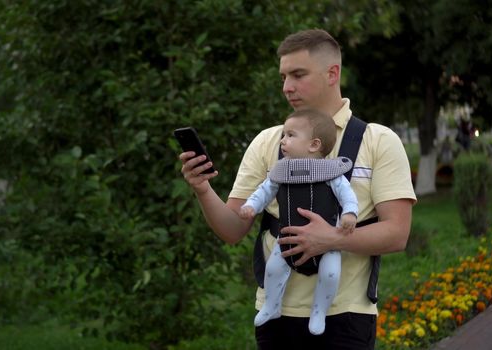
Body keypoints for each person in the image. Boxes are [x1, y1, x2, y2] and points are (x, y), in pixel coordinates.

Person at [178, 28, 416, 349]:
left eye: (298, 75)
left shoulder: (377, 141)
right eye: (283, 77)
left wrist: (330, 239)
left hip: (346, 316)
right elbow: (233, 229)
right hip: (275, 317)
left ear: (332, 73)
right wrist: (203, 189)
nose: (287, 87)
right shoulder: (268, 142)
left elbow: (397, 233)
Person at [239, 108, 358, 335]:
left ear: (314, 145)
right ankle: (272, 306)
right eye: (283, 135)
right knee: (273, 269)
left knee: (331, 273)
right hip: (288, 236)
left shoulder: (331, 171)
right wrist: (251, 206)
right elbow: (264, 191)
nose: (283, 141)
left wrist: (350, 213)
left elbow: (347, 195)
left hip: (328, 240)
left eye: (290, 135)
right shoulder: (281, 171)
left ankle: (319, 311)